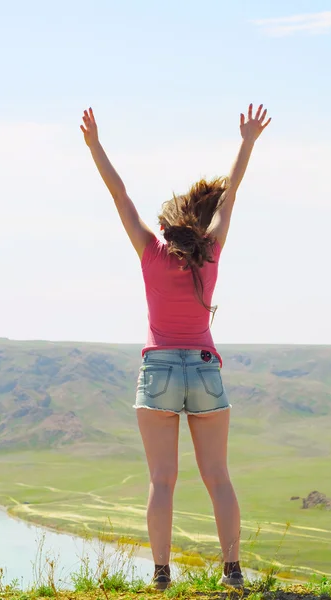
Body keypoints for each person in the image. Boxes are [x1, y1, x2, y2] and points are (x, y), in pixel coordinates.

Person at [80, 103, 271, 590]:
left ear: (167, 226)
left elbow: (119, 193)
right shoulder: (211, 252)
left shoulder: (149, 251)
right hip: (205, 368)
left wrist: (94, 145)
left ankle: (162, 577)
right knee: (219, 479)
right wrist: (247, 141)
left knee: (161, 480)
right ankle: (232, 573)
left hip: (159, 367)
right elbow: (230, 195)